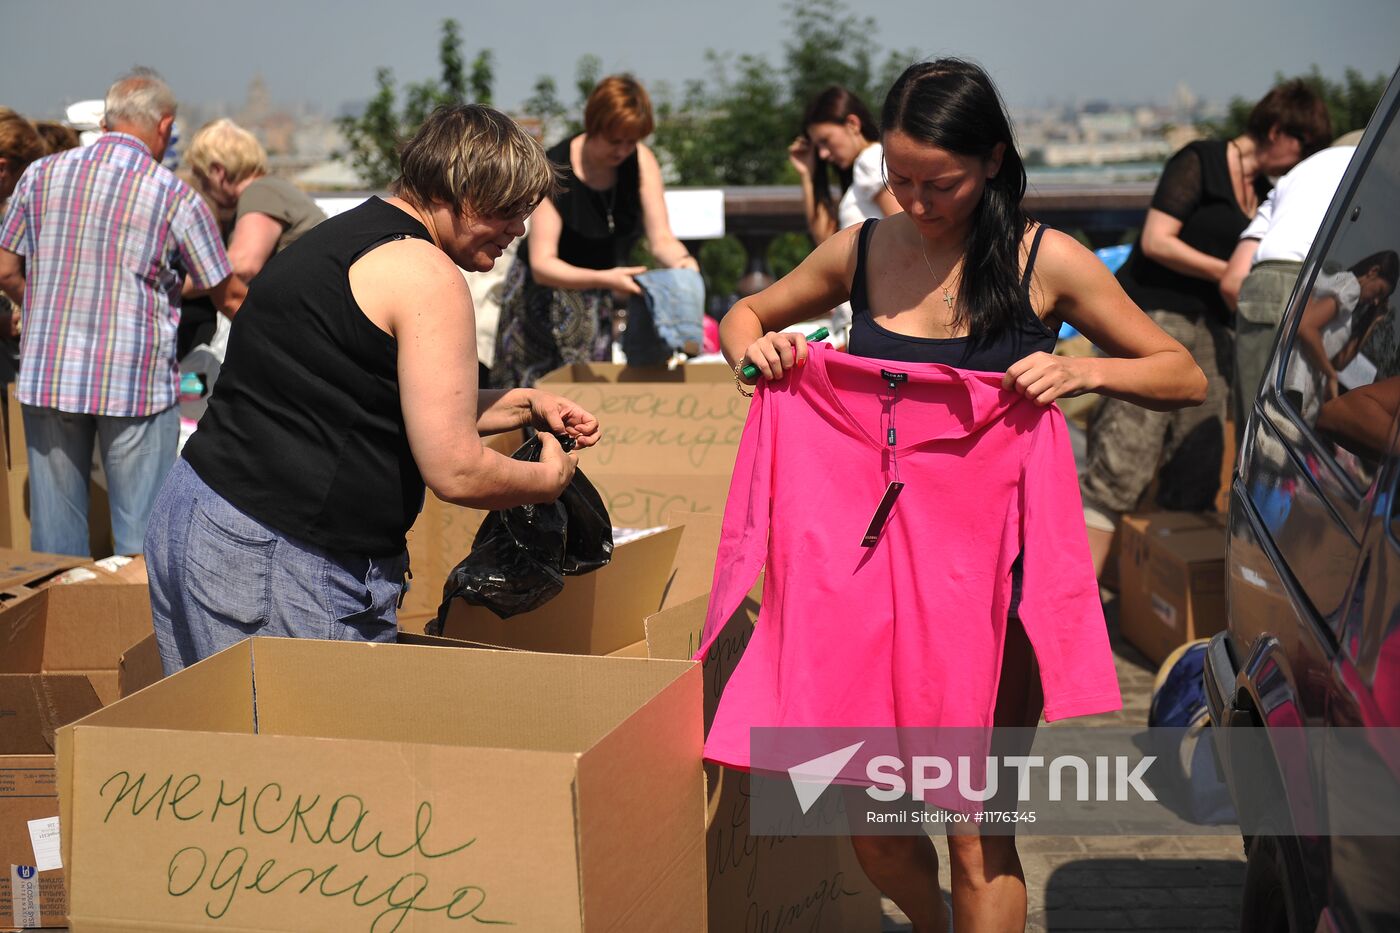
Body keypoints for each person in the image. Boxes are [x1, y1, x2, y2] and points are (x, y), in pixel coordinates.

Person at [719, 59, 1205, 933]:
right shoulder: (864, 247)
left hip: (993, 589)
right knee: (874, 832)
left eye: (936, 182)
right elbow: (745, 316)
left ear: (990, 161)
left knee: (977, 833)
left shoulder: (1046, 259)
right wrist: (759, 353)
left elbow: (1184, 375)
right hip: (865, 584)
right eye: (898, 179)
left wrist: (1080, 368)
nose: (913, 200)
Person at [145, 104, 601, 675]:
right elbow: (456, 469)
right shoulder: (426, 274)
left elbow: (368, 397)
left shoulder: (342, 237)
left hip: (208, 518)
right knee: (309, 757)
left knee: (224, 748)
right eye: (507, 211)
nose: (519, 229)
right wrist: (549, 481)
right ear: (456, 193)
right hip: (277, 557)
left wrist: (523, 404)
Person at [1079, 79, 1330, 575]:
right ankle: (1079, 601)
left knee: (1199, 461)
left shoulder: (1268, 191)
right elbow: (1156, 240)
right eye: (1304, 147)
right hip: (1153, 320)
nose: (1302, 162)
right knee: (1122, 460)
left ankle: (1157, 599)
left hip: (1215, 335)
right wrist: (1234, 275)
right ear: (1278, 131)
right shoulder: (1202, 160)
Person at [0, 69, 245, 557]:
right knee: (140, 545)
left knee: (55, 547)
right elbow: (227, 294)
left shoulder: (39, 175)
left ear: (111, 120)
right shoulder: (173, 193)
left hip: (50, 375)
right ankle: (134, 633)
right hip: (132, 381)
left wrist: (44, 308)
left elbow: (6, 270)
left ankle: (61, 633)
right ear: (165, 125)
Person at [492, 74, 699, 387]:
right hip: (541, 304)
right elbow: (542, 264)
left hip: (594, 301)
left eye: (632, 142)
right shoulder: (556, 166)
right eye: (615, 141)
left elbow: (662, 240)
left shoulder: (641, 161)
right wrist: (607, 279)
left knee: (586, 406)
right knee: (530, 403)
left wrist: (685, 266)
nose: (623, 151)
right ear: (594, 126)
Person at [1220, 134, 1360, 441]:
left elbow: (1232, 281)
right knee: (1299, 446)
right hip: (1320, 280)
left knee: (1258, 443)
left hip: (1263, 280)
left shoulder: (1297, 175)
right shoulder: (1371, 168)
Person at [788, 85, 900, 339]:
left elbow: (905, 227)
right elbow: (828, 245)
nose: (824, 154)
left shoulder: (870, 161)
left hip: (870, 320)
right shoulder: (869, 165)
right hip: (865, 316)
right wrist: (808, 174)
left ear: (852, 123)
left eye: (825, 141)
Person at [185, 118, 326, 282]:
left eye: (202, 177)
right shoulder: (271, 189)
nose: (203, 187)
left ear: (218, 172)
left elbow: (244, 265)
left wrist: (181, 286)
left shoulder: (260, 192)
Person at [1284, 250, 1399, 422]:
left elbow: (1340, 362)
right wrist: (1330, 374)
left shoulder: (1349, 306)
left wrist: (1373, 322)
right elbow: (1306, 328)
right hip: (1295, 386)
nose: (1376, 301)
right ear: (1373, 272)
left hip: (1302, 394)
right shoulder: (1350, 287)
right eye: (1380, 292)